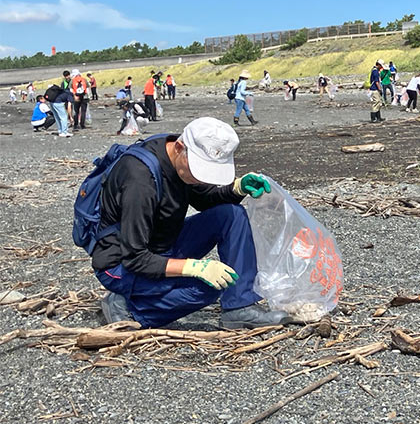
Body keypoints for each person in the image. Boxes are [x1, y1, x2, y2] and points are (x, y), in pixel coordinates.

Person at [90, 118, 289, 330]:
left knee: (232, 215)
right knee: (208, 288)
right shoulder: (140, 181)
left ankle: (240, 307)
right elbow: (134, 258)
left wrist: (237, 189)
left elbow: (203, 199)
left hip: (163, 245)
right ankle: (130, 309)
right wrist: (193, 267)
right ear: (179, 147)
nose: (202, 179)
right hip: (121, 265)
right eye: (200, 170)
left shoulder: (178, 159)